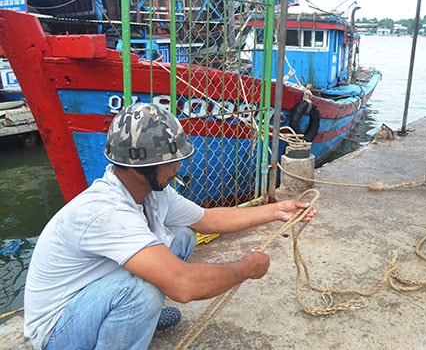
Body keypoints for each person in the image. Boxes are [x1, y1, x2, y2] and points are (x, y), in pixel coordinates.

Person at [24, 103, 317, 349]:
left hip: (95, 293)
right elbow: (183, 285)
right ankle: (129, 318)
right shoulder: (106, 212)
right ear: (143, 168)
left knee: (182, 237)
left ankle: (137, 321)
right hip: (58, 330)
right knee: (142, 291)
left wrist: (277, 210)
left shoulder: (152, 192)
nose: (179, 167)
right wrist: (246, 268)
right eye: (172, 160)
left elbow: (207, 219)